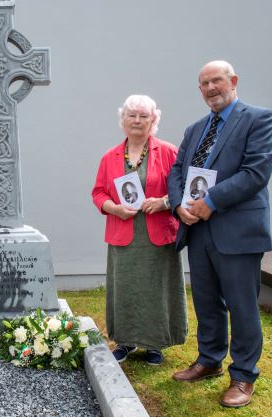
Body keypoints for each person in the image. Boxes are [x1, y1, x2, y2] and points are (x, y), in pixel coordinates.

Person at [168, 60, 272, 408]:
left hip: (237, 229)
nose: (210, 88)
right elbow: (176, 171)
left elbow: (256, 171)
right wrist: (178, 206)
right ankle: (210, 359)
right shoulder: (195, 128)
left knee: (242, 305)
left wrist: (211, 202)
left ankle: (244, 375)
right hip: (198, 231)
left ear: (233, 81)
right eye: (204, 83)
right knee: (206, 300)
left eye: (216, 80)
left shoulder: (259, 118)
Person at [92, 94, 187, 366]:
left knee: (157, 289)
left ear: (153, 121)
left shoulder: (168, 152)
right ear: (123, 120)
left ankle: (155, 343)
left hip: (158, 235)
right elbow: (98, 192)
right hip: (123, 234)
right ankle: (125, 341)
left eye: (144, 116)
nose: (137, 120)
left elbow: (182, 189)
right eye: (132, 115)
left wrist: (164, 202)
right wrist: (114, 208)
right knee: (125, 288)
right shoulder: (109, 157)